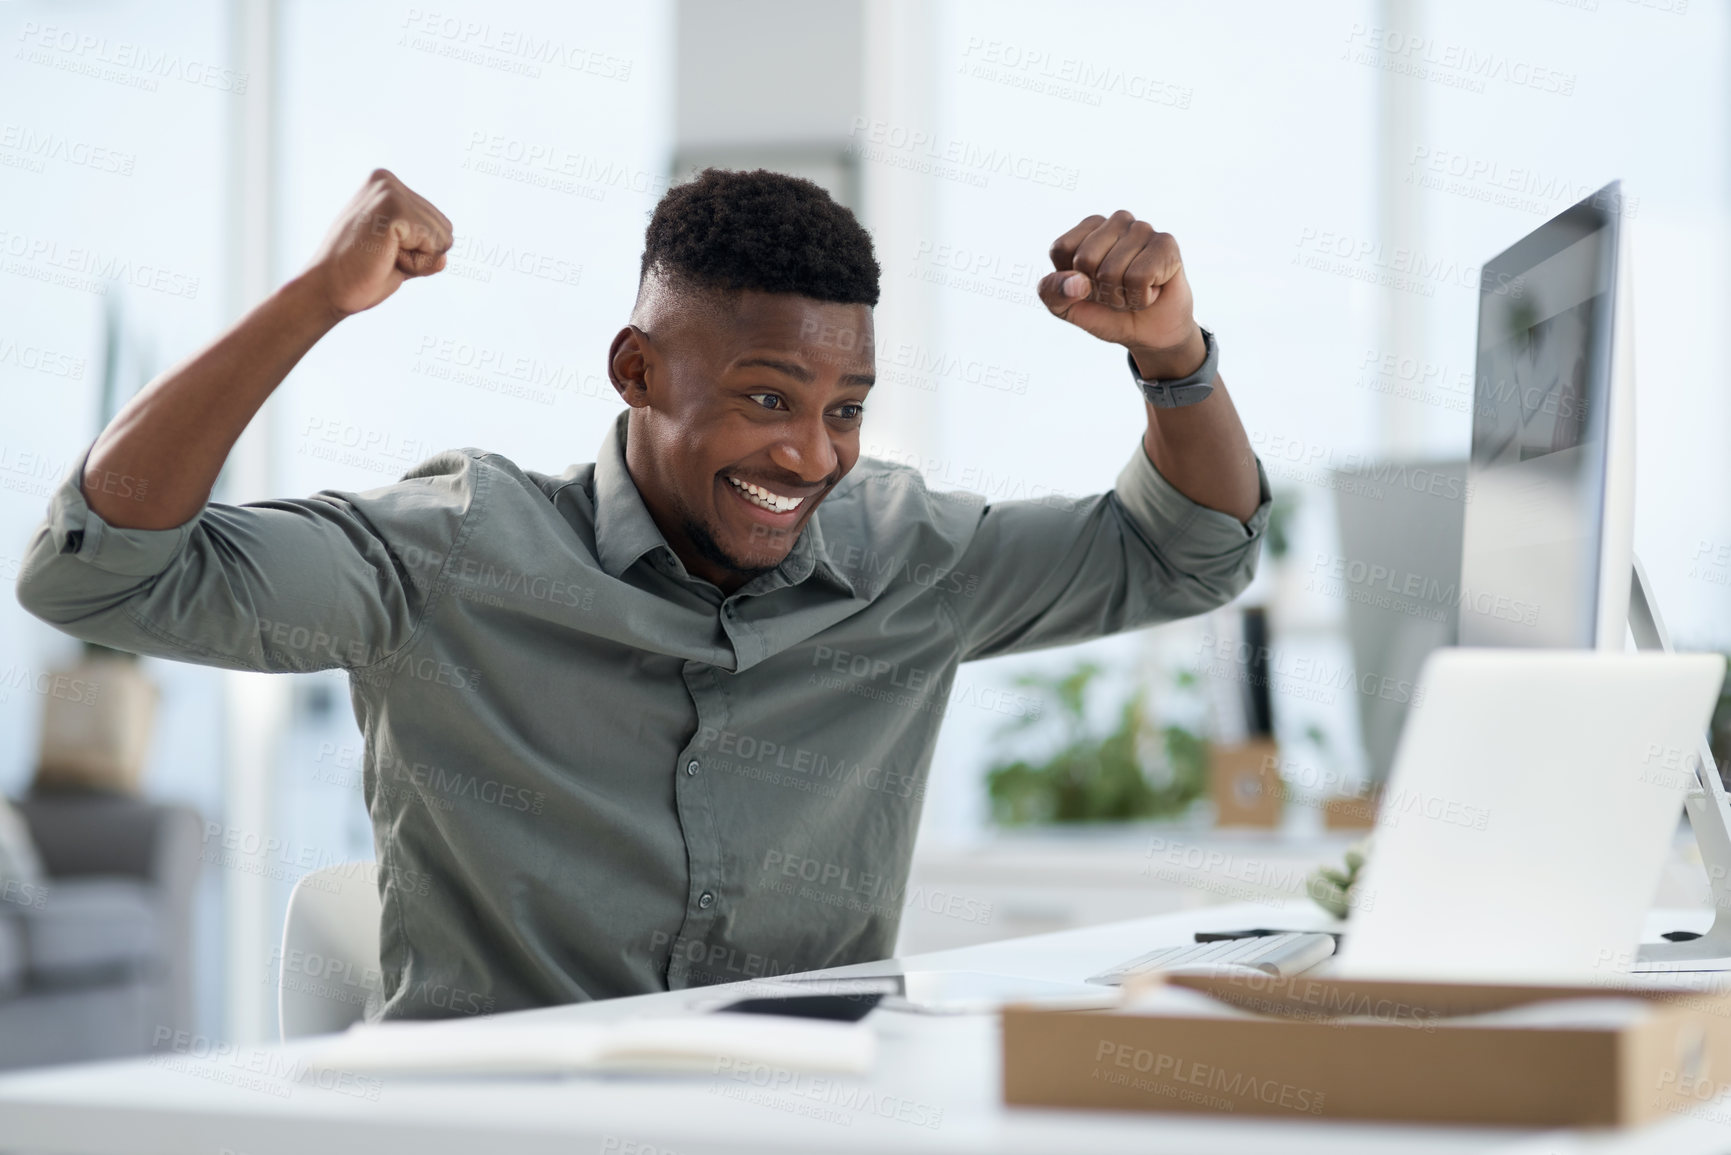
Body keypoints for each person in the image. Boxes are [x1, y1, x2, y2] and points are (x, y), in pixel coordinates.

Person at [15, 167, 1270, 1020]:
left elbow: (1192, 551)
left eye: (844, 412)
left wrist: (1171, 356)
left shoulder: (907, 551)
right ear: (636, 371)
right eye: (767, 399)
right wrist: (316, 301)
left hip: (807, 1119)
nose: (812, 457)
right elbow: (100, 573)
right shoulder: (456, 551)